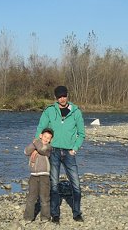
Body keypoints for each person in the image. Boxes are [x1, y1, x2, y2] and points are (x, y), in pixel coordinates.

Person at [35, 85, 85, 224]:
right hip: (53, 151)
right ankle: (55, 214)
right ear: (56, 98)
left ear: (67, 95)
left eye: (64, 96)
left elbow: (81, 134)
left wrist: (75, 148)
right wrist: (37, 147)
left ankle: (77, 213)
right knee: (54, 185)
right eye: (59, 97)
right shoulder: (49, 111)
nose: (62, 99)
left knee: (76, 184)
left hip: (69, 153)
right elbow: (40, 128)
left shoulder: (76, 112)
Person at [23, 128, 54, 223]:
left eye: (48, 138)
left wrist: (36, 142)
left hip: (44, 175)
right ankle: (28, 217)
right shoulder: (35, 145)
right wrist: (34, 145)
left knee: (44, 197)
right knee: (31, 198)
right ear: (41, 136)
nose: (46, 139)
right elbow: (26, 151)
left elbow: (42, 149)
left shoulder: (49, 148)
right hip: (33, 176)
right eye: (45, 136)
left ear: (50, 140)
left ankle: (45, 217)